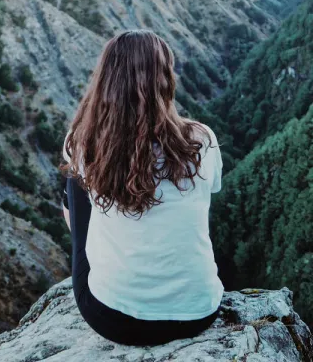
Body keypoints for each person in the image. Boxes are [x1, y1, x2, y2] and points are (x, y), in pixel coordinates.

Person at [59, 29, 224, 346]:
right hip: (199, 311)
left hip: (113, 319)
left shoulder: (83, 142)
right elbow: (210, 193)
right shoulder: (202, 139)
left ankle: (115, 265)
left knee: (74, 179)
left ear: (106, 81)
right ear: (166, 79)